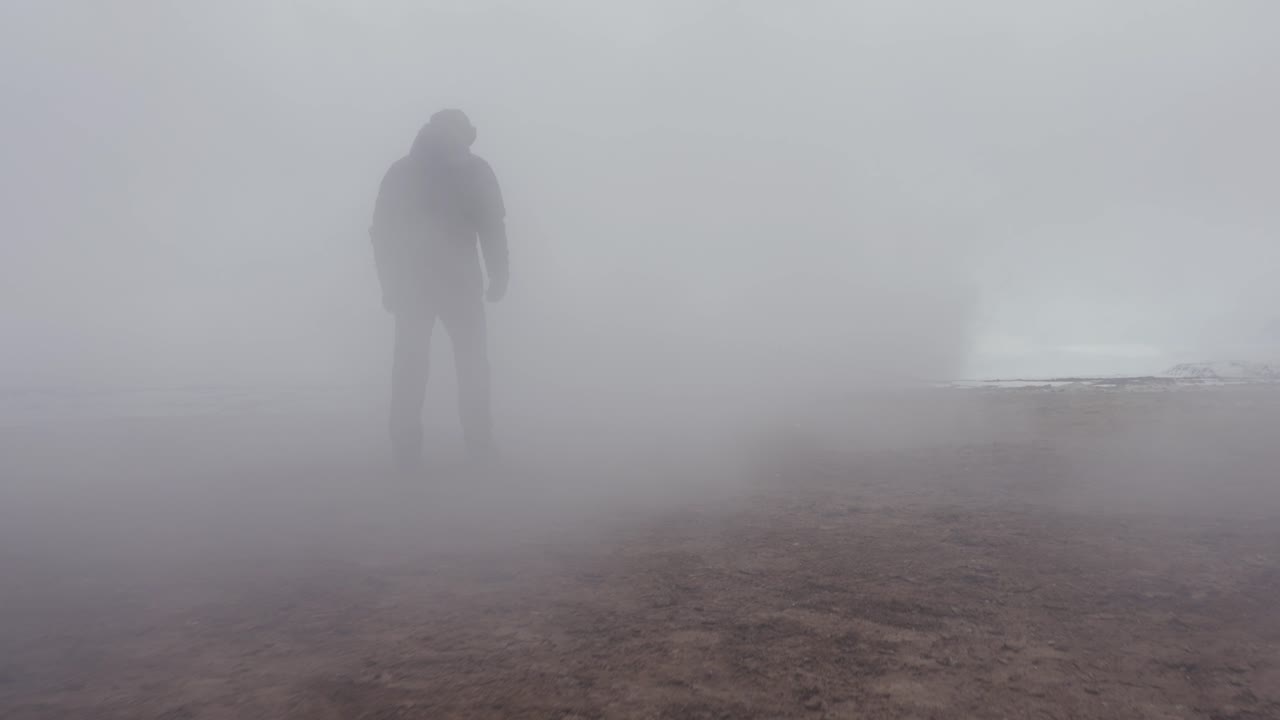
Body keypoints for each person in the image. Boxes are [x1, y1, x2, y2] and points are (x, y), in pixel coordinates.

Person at [369, 109, 508, 473]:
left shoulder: (402, 172)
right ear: (463, 134)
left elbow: (381, 232)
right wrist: (499, 275)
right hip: (457, 283)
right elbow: (492, 228)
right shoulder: (475, 171)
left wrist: (390, 283)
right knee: (472, 365)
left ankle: (406, 452)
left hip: (415, 285)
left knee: (411, 366)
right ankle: (479, 447)